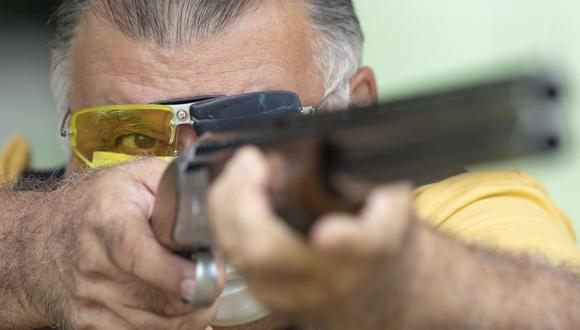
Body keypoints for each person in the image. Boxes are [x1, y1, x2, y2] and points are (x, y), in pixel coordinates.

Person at [1, 0, 580, 329]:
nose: (175, 167)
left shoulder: (455, 221)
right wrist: (38, 254)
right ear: (69, 127)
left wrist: (404, 282)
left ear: (355, 109)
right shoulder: (29, 203)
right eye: (123, 135)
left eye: (250, 123)